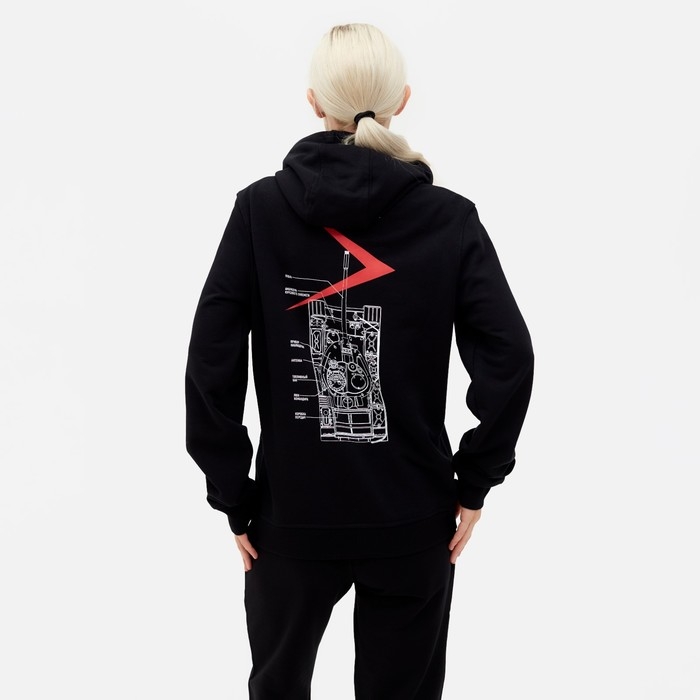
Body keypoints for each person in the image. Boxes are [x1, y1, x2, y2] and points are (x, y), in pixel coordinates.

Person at [185, 22, 534, 700]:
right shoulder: (449, 219)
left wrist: (234, 496)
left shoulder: (259, 212)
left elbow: (210, 364)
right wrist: (473, 484)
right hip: (413, 518)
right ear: (402, 99)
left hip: (289, 519)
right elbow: (511, 359)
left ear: (315, 101)